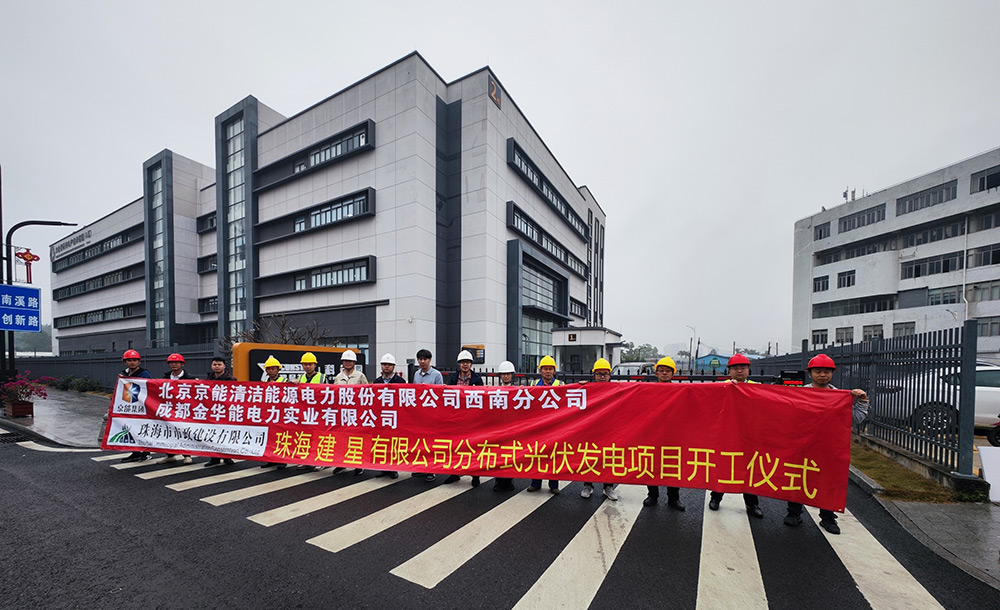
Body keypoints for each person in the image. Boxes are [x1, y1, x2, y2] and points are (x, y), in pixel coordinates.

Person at [783, 353, 869, 535]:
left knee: (828, 481)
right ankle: (793, 513)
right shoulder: (800, 394)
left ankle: (828, 518)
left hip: (828, 449)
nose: (822, 375)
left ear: (832, 374)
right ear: (810, 374)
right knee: (798, 478)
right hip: (803, 446)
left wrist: (862, 401)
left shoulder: (840, 397)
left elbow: (855, 418)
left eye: (826, 371)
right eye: (818, 371)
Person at [708, 353, 763, 518]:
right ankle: (716, 497)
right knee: (724, 466)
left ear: (748, 370)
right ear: (729, 371)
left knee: (749, 469)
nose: (739, 371)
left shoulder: (758, 387)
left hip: (750, 435)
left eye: (743, 368)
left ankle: (752, 504)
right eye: (735, 368)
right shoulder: (723, 386)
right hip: (727, 434)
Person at [643, 356, 685, 511]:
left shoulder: (681, 391)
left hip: (673, 435)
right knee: (651, 465)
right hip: (652, 434)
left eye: (668, 371)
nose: (665, 373)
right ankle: (652, 495)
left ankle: (674, 498)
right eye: (661, 370)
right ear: (656, 373)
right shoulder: (647, 390)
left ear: (673, 373)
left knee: (672, 466)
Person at [444, 350, 485, 487]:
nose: (465, 364)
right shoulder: (453, 378)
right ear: (459, 364)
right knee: (454, 446)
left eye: (467, 362)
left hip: (472, 419)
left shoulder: (477, 379)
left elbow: (482, 398)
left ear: (471, 364)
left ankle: (475, 475)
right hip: (456, 418)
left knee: (473, 447)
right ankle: (454, 473)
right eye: (462, 362)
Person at [580, 358, 618, 501]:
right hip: (591, 429)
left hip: (609, 429)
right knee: (589, 456)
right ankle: (588, 485)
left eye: (605, 374)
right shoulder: (587, 389)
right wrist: (579, 387)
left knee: (608, 458)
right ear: (594, 375)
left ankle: (608, 487)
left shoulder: (617, 389)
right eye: (599, 374)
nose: (602, 376)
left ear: (609, 375)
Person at [528, 355, 562, 494]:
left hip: (554, 426)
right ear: (540, 370)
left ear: (554, 370)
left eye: (550, 369)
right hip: (538, 426)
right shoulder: (533, 384)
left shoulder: (561, 385)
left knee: (553, 455)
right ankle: (535, 483)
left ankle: (553, 485)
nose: (548, 371)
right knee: (537, 455)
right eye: (545, 369)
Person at [371, 353, 404, 479]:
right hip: (381, 417)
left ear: (393, 366)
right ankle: (383, 467)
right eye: (384, 364)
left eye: (389, 365)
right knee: (381, 442)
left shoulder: (400, 381)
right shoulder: (376, 382)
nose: (386, 367)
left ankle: (393, 468)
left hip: (395, 417)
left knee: (394, 443)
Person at [412, 348, 443, 481]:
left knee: (431, 442)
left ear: (430, 360)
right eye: (420, 359)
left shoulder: (436, 375)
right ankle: (421, 468)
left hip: (432, 414)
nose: (423, 361)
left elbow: (441, 393)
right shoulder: (416, 374)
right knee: (420, 442)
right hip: (420, 414)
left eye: (425, 359)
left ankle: (431, 470)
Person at [158, 353, 195, 465]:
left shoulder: (189, 378)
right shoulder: (165, 377)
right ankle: (170, 455)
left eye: (176, 362)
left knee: (183, 432)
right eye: (171, 363)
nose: (174, 364)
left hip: (183, 409)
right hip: (169, 409)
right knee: (168, 432)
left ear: (182, 364)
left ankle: (187, 455)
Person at [117, 349, 152, 463]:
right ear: (125, 362)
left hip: (141, 405)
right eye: (129, 360)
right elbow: (119, 391)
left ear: (139, 362)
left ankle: (145, 453)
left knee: (142, 429)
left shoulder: (144, 373)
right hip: (128, 405)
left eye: (135, 360)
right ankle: (135, 452)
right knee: (130, 429)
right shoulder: (124, 374)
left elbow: (144, 387)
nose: (132, 362)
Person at [204, 357, 238, 467]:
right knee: (212, 434)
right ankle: (214, 458)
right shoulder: (207, 379)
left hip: (225, 411)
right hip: (212, 411)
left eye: (219, 364)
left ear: (224, 366)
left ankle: (227, 457)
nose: (217, 366)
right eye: (215, 364)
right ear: (211, 366)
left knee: (225, 434)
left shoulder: (231, 379)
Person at [493, 360, 518, 492]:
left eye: (508, 374)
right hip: (498, 427)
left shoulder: (518, 391)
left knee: (510, 454)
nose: (506, 376)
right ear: (500, 376)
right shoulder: (494, 391)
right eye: (504, 374)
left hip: (511, 427)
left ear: (512, 375)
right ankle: (498, 481)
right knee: (498, 455)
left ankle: (509, 480)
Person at [260, 356, 288, 469]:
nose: (271, 371)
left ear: (278, 369)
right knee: (269, 438)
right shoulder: (263, 382)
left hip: (280, 414)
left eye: (273, 368)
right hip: (268, 414)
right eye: (268, 369)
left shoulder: (285, 381)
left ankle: (282, 460)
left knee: (281, 437)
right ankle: (270, 459)